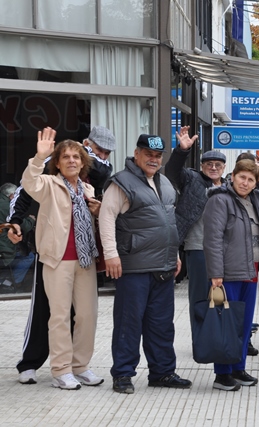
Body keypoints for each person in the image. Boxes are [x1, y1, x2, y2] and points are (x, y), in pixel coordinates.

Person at [10, 125, 115, 385]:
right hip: (57, 260)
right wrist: (38, 157)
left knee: (87, 315)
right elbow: (29, 183)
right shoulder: (48, 184)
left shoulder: (88, 191)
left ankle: (80, 366)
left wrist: (98, 211)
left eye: (76, 157)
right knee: (58, 316)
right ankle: (61, 370)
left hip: (85, 261)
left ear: (83, 163)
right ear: (57, 163)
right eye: (66, 157)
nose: (72, 161)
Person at [100, 134, 191, 394]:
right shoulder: (120, 182)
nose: (154, 159)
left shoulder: (164, 182)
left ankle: (162, 372)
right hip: (133, 267)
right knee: (129, 323)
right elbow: (106, 219)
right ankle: (123, 375)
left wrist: (173, 254)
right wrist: (111, 254)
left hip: (162, 266)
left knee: (161, 324)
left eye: (158, 155)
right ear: (136, 153)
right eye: (148, 154)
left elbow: (168, 222)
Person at [202, 159, 259, 391]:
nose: (245, 183)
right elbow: (212, 239)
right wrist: (215, 273)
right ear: (232, 176)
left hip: (251, 270)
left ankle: (238, 368)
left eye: (250, 179)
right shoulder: (220, 199)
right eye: (242, 177)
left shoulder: (256, 198)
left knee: (244, 324)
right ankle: (222, 374)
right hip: (227, 274)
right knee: (227, 324)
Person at [164, 126, 227, 346]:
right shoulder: (192, 179)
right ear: (201, 166)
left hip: (225, 251)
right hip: (198, 248)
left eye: (218, 165)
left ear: (224, 168)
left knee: (223, 298)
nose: (213, 167)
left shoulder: (229, 187)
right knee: (200, 298)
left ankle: (219, 340)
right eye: (208, 164)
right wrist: (181, 151)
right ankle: (200, 342)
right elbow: (171, 172)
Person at [0, 183, 35, 293]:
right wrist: (31, 220)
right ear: (11, 196)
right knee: (28, 256)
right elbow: (22, 226)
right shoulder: (7, 207)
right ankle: (11, 281)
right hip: (4, 245)